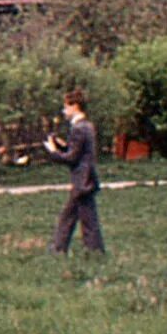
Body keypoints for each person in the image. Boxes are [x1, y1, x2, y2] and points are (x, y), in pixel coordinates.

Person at [43, 89, 104, 256]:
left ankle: (60, 249)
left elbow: (72, 158)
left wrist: (54, 151)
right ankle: (93, 251)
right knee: (83, 219)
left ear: (75, 106)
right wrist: (62, 145)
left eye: (66, 107)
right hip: (88, 179)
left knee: (72, 218)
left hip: (81, 181)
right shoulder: (87, 126)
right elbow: (77, 151)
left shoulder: (78, 128)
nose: (64, 111)